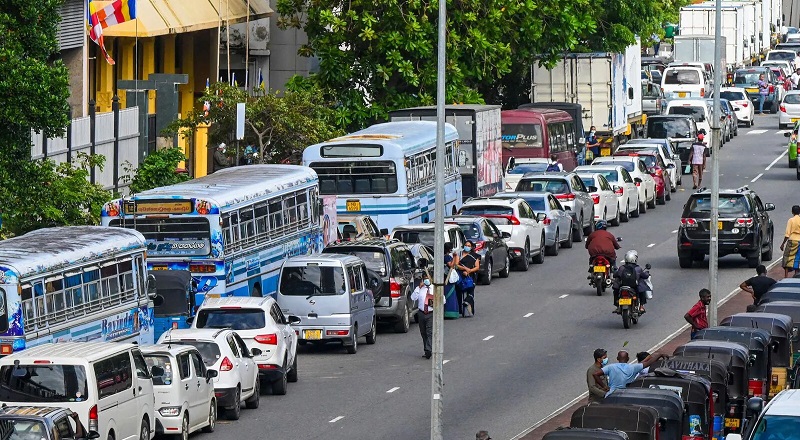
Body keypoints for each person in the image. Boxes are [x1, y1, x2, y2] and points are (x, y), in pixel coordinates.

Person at [592, 350, 668, 396]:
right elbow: (648, 362)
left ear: (617, 358)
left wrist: (604, 387)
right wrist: (659, 355)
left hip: (612, 395)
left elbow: (595, 374)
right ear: (628, 359)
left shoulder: (610, 367)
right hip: (627, 395)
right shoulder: (633, 367)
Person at [613, 250, 650, 314]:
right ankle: (641, 306)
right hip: (634, 287)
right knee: (642, 291)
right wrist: (647, 273)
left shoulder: (622, 268)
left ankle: (617, 306)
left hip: (622, 286)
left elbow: (615, 275)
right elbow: (645, 276)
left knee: (616, 291)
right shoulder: (638, 268)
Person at [410, 274, 434, 359]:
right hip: (421, 313)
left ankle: (429, 349)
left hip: (431, 313)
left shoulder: (434, 288)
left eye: (428, 278)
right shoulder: (420, 289)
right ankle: (426, 349)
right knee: (423, 332)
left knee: (429, 331)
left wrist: (434, 299)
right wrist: (418, 288)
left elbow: (443, 300)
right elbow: (413, 298)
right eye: (425, 279)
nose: (426, 280)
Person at [457, 241, 480, 316]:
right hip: (460, 275)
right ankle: (459, 310)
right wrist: (464, 268)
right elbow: (456, 265)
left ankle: (467, 303)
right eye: (466, 245)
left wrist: (469, 271)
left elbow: (477, 267)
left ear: (471, 247)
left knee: (471, 289)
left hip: (470, 276)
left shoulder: (474, 256)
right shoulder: (459, 254)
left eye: (469, 245)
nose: (467, 246)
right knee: (458, 291)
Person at [780, 205, 800, 278]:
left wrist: (783, 244)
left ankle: (786, 276)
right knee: (797, 257)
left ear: (792, 212)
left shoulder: (791, 220)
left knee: (787, 257)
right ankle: (797, 275)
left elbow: (787, 234)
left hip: (792, 240)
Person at [443, 242, 461, 319]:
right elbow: (451, 265)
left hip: (447, 278)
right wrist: (454, 257)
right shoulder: (446, 257)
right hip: (447, 279)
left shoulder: (444, 256)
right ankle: (449, 313)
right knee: (450, 296)